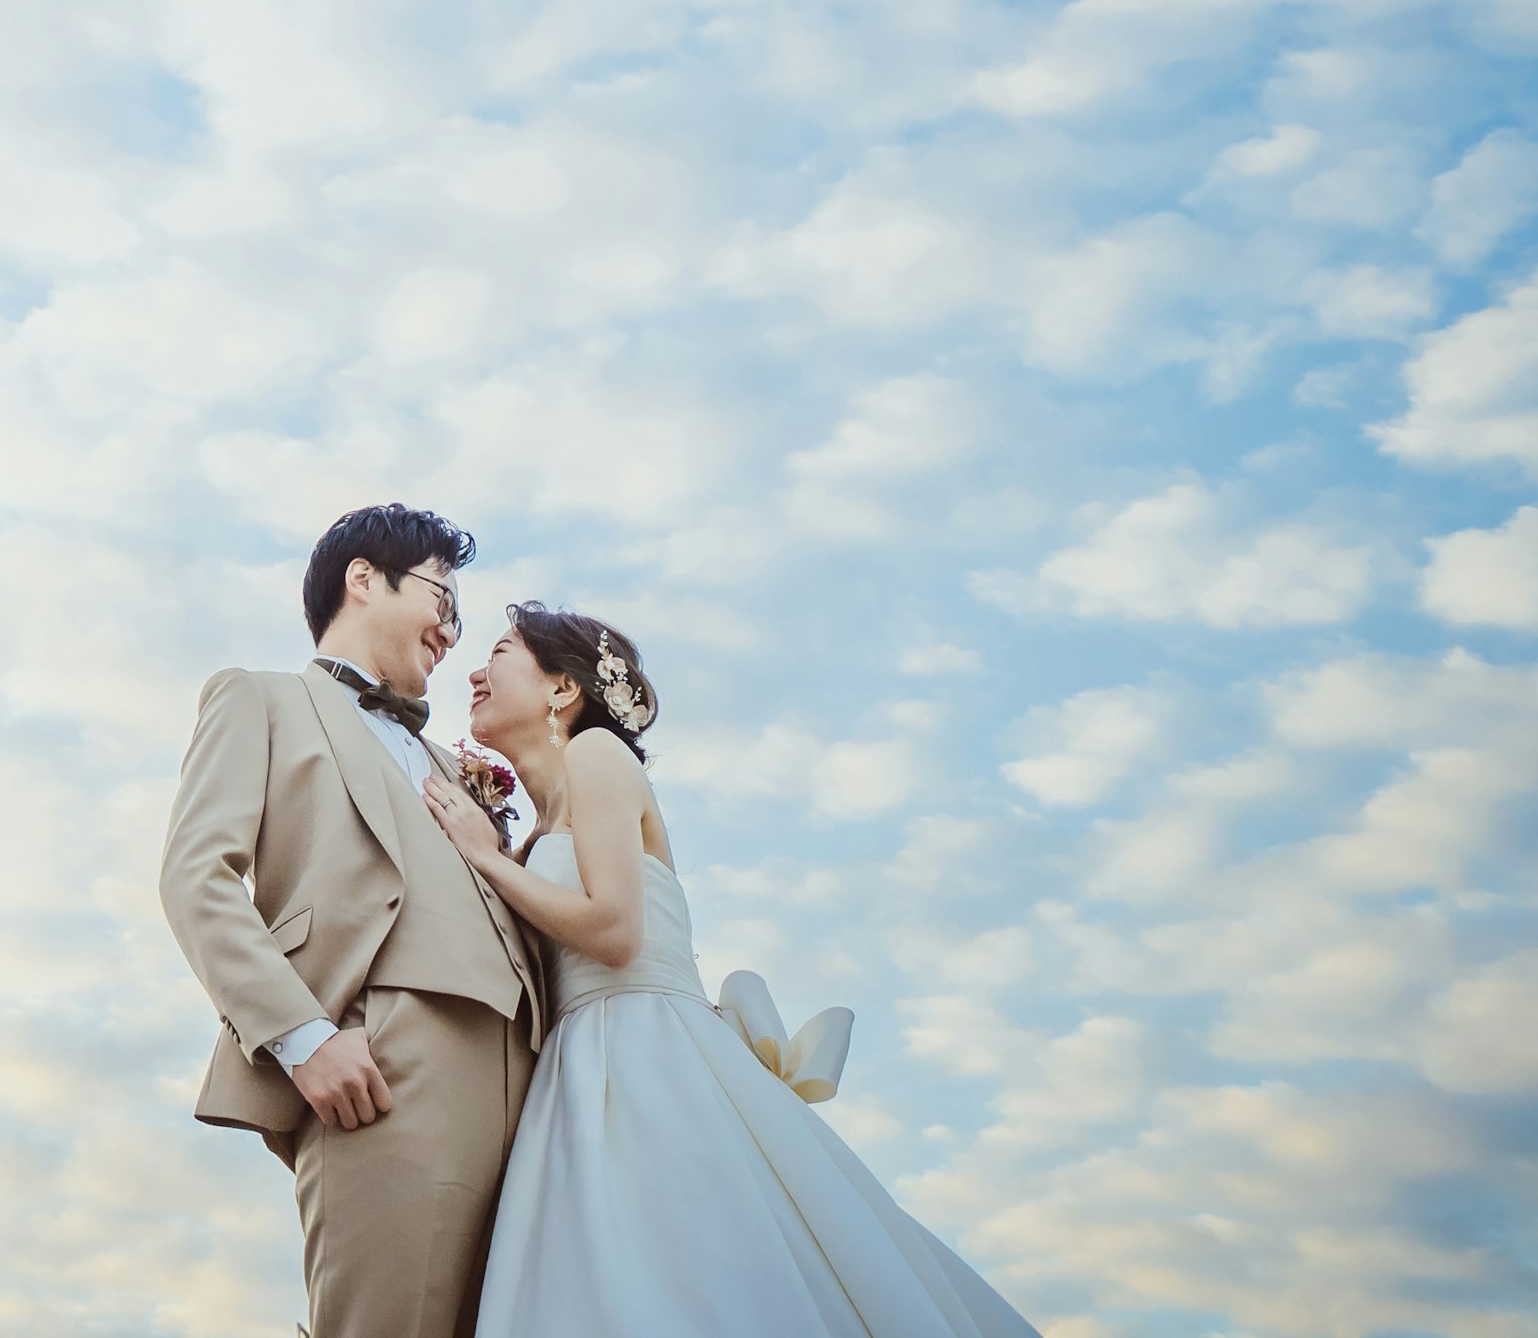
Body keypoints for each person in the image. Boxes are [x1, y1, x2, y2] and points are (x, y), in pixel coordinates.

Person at [416, 602, 1043, 1338]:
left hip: (645, 1055)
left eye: (498, 651)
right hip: (576, 1069)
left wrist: (486, 860)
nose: (475, 671)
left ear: (562, 689)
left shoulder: (596, 755)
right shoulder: (537, 826)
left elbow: (616, 933)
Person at [158, 507, 544, 1338]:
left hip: (534, 1076)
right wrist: (302, 1035)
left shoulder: (459, 767)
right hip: (382, 1059)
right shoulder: (258, 700)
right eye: (444, 598)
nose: (451, 632)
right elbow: (197, 878)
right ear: (363, 578)